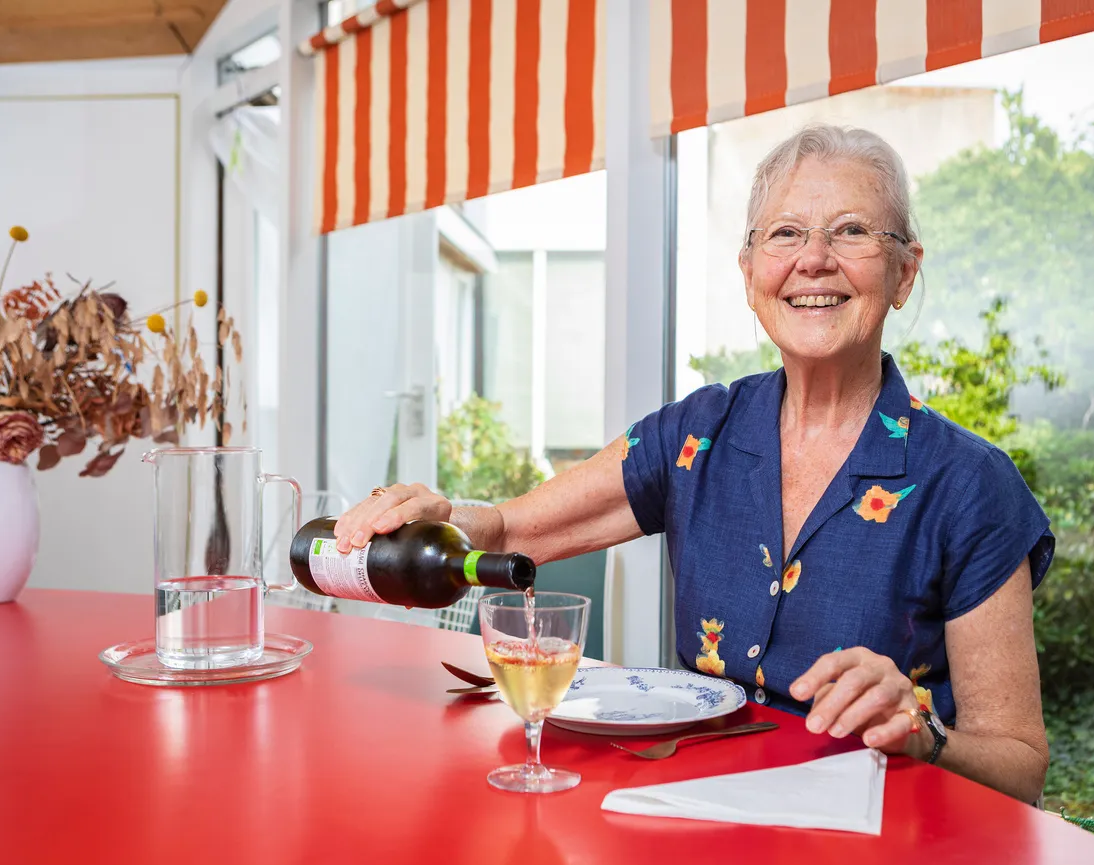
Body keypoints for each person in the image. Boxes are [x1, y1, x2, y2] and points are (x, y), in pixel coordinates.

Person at [334, 124, 1054, 803]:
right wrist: (434, 516)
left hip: (884, 850)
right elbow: (505, 531)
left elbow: (1019, 765)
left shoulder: (971, 486)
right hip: (699, 823)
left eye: (853, 231)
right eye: (785, 234)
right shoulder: (698, 434)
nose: (814, 259)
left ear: (903, 274)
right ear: (750, 275)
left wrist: (923, 736)